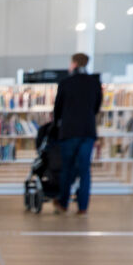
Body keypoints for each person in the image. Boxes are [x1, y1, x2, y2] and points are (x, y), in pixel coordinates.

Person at [53, 51, 103, 215]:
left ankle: (64, 203)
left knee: (66, 168)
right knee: (85, 170)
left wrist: (57, 123)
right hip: (88, 131)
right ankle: (82, 207)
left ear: (74, 63)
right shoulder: (94, 83)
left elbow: (58, 108)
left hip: (69, 131)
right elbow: (96, 107)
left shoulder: (66, 83)